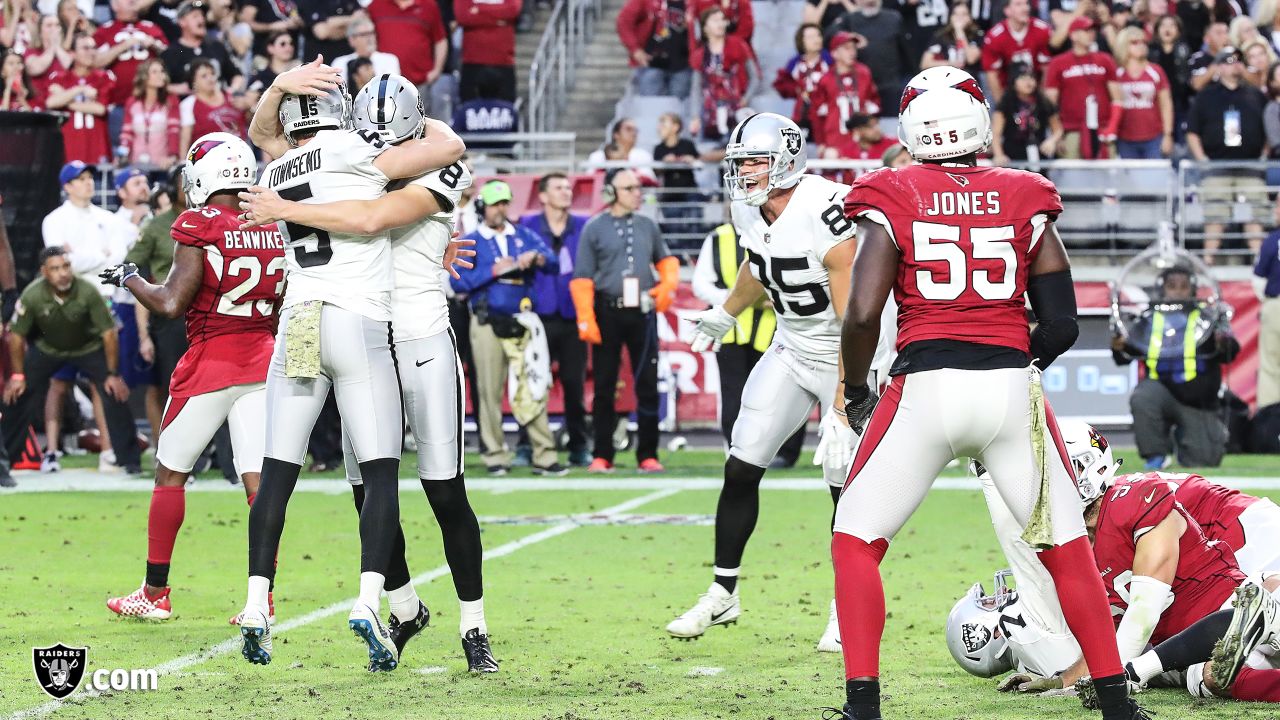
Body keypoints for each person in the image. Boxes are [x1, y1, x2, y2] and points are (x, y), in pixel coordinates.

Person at [831, 66, 1144, 720]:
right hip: (1008, 391)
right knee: (1065, 549)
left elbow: (862, 315)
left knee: (855, 540)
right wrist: (1010, 355)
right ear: (979, 121)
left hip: (925, 386)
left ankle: (863, 707)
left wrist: (856, 388)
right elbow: (1061, 320)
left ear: (911, 128)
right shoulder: (1025, 192)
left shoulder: (890, 189)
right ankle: (1116, 702)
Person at [236, 74, 496, 672]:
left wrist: (288, 205)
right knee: (366, 487)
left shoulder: (420, 168)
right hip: (369, 333)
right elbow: (320, 169)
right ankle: (402, 607)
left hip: (421, 337)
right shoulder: (356, 154)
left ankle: (474, 624)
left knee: (442, 488)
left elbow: (378, 214)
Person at [672, 112, 861, 649]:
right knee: (741, 464)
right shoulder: (748, 206)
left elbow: (855, 322)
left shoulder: (827, 210)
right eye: (740, 162)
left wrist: (846, 402)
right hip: (792, 346)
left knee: (843, 488)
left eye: (755, 160)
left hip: (850, 355)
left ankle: (844, 609)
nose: (745, 172)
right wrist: (729, 311)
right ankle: (723, 591)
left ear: (787, 160)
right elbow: (761, 262)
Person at [99, 133, 283, 621]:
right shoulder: (270, 220)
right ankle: (259, 600)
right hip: (263, 359)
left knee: (170, 475)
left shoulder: (199, 220)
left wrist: (130, 277)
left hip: (211, 363)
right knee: (258, 484)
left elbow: (170, 301)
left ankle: (155, 593)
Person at [950, 422, 1280, 685]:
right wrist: (1072, 677)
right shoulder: (1084, 541)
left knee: (1258, 605)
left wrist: (1116, 675)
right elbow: (1120, 637)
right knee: (1206, 674)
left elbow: (1140, 616)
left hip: (1238, 535)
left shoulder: (1128, 501)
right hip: (1214, 559)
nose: (1041, 490)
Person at [451, 180, 565, 476]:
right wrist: (492, 272)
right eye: (495, 204)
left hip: (522, 319)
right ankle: (495, 455)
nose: (501, 210)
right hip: (487, 320)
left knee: (534, 384)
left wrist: (538, 258)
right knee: (488, 389)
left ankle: (545, 454)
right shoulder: (472, 241)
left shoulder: (523, 236)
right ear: (482, 207)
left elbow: (553, 262)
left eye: (504, 203)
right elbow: (457, 282)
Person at [570, 167, 678, 473]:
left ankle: (648, 454)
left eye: (637, 187)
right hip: (608, 311)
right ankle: (602, 454)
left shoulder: (648, 225)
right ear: (611, 193)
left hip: (642, 312)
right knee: (604, 386)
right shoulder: (594, 228)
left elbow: (666, 261)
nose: (637, 193)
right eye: (629, 188)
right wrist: (586, 318)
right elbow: (582, 276)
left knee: (646, 383)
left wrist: (667, 286)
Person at [1, 247, 142, 476]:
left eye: (66, 267)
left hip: (88, 348)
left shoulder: (88, 291)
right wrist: (17, 376)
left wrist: (112, 373)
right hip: (48, 349)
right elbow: (17, 336)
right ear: (44, 272)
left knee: (115, 392)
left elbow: (109, 333)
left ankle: (130, 461)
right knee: (16, 395)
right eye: (55, 269)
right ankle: (5, 461)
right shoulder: (32, 294)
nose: (63, 273)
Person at [689, 214, 805, 465]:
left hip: (777, 329)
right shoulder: (718, 237)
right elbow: (701, 284)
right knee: (734, 394)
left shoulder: (782, 232)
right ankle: (737, 452)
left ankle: (784, 454)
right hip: (731, 331)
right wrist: (737, 300)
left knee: (781, 394)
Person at [1111, 264, 1239, 468]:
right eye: (1172, 286)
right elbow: (1123, 356)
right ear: (1162, 290)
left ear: (1193, 289)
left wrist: (1224, 342)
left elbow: (1229, 353)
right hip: (1161, 393)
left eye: (1183, 286)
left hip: (1199, 401)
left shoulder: (1208, 319)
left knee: (1205, 460)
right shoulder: (1148, 320)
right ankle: (1155, 455)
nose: (1178, 291)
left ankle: (1186, 441)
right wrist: (1118, 346)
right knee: (1143, 397)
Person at [518, 172, 592, 467]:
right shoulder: (528, 225)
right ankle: (528, 445)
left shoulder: (584, 226)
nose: (566, 192)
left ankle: (578, 446)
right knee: (534, 383)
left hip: (573, 314)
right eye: (558, 188)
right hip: (540, 314)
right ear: (544, 196)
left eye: (568, 187)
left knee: (575, 386)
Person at [1187, 46, 1269, 263]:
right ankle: (1208, 260)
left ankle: (1259, 262)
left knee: (1256, 211)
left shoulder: (1255, 95)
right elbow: (1192, 131)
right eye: (1229, 61)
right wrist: (1202, 159)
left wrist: (1264, 154)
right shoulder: (1206, 96)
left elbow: (1268, 128)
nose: (1234, 65)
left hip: (1250, 165)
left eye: (1238, 61)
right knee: (1215, 214)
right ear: (1219, 66)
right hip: (1217, 165)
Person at [127, 163, 188, 450]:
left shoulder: (218, 218)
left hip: (213, 309)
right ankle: (177, 451)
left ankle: (227, 459)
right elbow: (133, 262)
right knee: (174, 383)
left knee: (223, 382)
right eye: (183, 182)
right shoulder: (158, 226)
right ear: (172, 188)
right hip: (173, 311)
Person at [1042, 17, 1119, 160]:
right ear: (1073, 35)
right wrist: (1057, 135)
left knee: (1107, 179)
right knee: (1072, 178)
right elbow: (1050, 104)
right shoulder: (1058, 63)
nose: (1091, 34)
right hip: (1071, 131)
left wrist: (1111, 128)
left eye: (1092, 30)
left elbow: (1117, 99)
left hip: (1102, 130)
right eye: (1086, 30)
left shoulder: (1105, 59)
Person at [828, 0, 911, 119]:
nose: (870, 1)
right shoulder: (849, 19)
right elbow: (830, 34)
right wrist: (849, 37)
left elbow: (907, 51)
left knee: (896, 124)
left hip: (891, 86)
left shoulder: (894, 18)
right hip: (861, 88)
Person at [687, 5, 759, 143]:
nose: (720, 23)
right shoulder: (699, 55)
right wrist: (695, 116)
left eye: (722, 19)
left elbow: (755, 77)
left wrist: (746, 98)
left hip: (737, 109)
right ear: (705, 27)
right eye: (715, 20)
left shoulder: (739, 45)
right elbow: (696, 89)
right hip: (710, 112)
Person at [364, 0, 448, 117]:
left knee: (422, 126)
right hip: (385, 85)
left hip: (420, 81)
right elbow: (363, 30)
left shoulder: (428, 5)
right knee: (386, 126)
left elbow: (440, 40)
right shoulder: (376, 5)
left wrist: (437, 70)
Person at [45, 33, 114, 165]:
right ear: (72, 53)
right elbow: (50, 103)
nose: (91, 52)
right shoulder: (59, 77)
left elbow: (99, 109)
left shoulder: (105, 77)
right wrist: (80, 89)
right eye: (85, 48)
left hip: (97, 148)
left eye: (94, 48)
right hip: (68, 147)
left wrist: (64, 98)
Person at [808, 31, 879, 152]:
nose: (852, 52)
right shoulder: (825, 79)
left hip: (862, 142)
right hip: (835, 141)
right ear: (834, 53)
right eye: (847, 48)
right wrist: (820, 142)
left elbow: (874, 103)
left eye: (853, 48)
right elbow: (816, 113)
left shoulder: (864, 73)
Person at [93, 0, 168, 110]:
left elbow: (171, 57)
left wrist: (155, 45)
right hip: (118, 102)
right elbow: (94, 63)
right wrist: (123, 46)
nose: (132, 1)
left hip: (150, 101)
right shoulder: (104, 31)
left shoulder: (151, 28)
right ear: (114, 5)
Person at [1113, 25, 1174, 159]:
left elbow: (1166, 104)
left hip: (1154, 137)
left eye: (1143, 42)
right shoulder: (1117, 73)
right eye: (1134, 42)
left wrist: (1168, 135)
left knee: (1154, 179)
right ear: (1123, 45)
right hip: (1124, 138)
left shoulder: (1156, 71)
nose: (1141, 45)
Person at [160, 0, 240, 95]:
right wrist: (176, 89)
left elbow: (237, 75)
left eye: (202, 16)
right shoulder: (171, 53)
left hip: (219, 104)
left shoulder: (216, 46)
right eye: (195, 16)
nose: (201, 20)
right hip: (188, 106)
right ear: (182, 22)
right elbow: (159, 85)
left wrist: (231, 91)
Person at [616, 0, 692, 98]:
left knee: (678, 109)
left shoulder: (692, 3)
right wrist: (635, 50)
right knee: (650, 107)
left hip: (682, 65)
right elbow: (623, 22)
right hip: (651, 64)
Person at [981, 0, 1052, 101]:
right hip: (1007, 90)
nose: (1025, 8)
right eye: (1019, 4)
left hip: (1036, 89)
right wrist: (1003, 108)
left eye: (1026, 3)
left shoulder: (1042, 30)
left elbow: (1046, 69)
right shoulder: (994, 37)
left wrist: (1041, 102)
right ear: (1007, 10)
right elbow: (992, 76)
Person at [773, 23, 831, 140]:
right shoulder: (795, 63)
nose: (816, 40)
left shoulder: (829, 61)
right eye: (810, 37)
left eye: (818, 35)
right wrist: (797, 90)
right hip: (803, 114)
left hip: (826, 114)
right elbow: (781, 84)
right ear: (801, 41)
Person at [990, 68, 1060, 164]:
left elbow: (1058, 129)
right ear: (1014, 82)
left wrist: (1052, 141)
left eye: (1031, 78)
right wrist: (999, 155)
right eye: (1023, 79)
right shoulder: (1005, 103)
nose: (1028, 83)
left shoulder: (1044, 102)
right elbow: (996, 134)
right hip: (1013, 156)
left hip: (1039, 154)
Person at [118, 57, 180, 167]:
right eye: (154, 72)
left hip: (162, 164)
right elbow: (127, 134)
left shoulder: (170, 100)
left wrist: (172, 156)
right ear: (144, 77)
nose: (161, 75)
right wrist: (121, 156)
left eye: (162, 71)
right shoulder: (132, 102)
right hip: (136, 163)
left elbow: (173, 131)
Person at [179, 58, 247, 154]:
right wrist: (183, 163)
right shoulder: (189, 104)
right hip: (210, 160)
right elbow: (185, 138)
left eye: (212, 74)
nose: (210, 78)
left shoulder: (231, 97)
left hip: (240, 154)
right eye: (204, 76)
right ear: (193, 82)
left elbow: (248, 124)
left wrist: (248, 106)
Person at [455, 0, 519, 103]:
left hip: (503, 61)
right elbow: (462, 17)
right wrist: (498, 19)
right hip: (472, 61)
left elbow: (512, 10)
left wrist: (479, 10)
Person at [1255, 201, 1280, 409]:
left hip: (1276, 306)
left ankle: (1270, 428)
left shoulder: (1273, 241)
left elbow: (1258, 279)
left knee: (1271, 369)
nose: (1275, 211)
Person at [920, 0, 983, 76]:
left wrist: (960, 32)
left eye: (964, 14)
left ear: (970, 17)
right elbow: (925, 63)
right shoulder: (941, 36)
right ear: (950, 17)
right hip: (946, 78)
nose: (960, 17)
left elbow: (971, 59)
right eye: (955, 14)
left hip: (970, 78)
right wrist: (950, 64)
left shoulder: (977, 34)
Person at [586, 118, 657, 183]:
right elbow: (590, 179)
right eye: (628, 129)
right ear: (616, 134)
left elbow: (650, 181)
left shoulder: (643, 155)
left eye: (636, 130)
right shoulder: (597, 156)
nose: (634, 133)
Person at [330, 18, 400, 84]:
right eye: (364, 34)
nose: (369, 38)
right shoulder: (340, 63)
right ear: (352, 40)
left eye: (371, 33)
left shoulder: (389, 60)